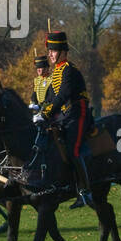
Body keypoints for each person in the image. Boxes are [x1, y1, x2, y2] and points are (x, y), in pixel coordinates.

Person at [35, 30, 95, 207]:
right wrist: (40, 112)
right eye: (50, 51)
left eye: (53, 50)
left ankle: (85, 191)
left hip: (77, 113)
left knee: (72, 149)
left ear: (63, 51)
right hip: (63, 116)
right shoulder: (56, 73)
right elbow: (51, 98)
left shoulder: (69, 70)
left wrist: (46, 114)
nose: (50, 54)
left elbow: (63, 96)